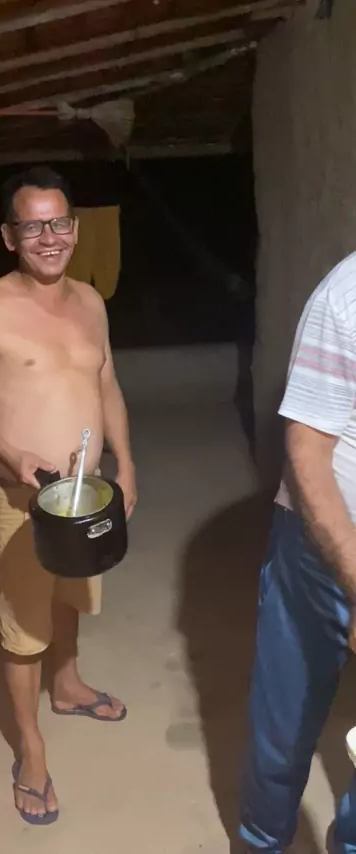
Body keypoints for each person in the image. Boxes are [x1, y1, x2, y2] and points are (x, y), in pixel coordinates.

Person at [0, 166, 137, 826]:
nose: (49, 238)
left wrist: (127, 463)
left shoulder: (91, 303)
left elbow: (106, 385)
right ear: (9, 236)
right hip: (21, 497)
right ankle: (30, 752)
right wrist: (8, 452)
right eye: (33, 227)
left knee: (73, 593)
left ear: (75, 228)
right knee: (24, 629)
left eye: (59, 223)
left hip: (85, 493)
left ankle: (69, 684)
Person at [239, 251, 356, 854]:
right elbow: (307, 450)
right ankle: (263, 841)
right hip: (324, 542)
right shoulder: (347, 295)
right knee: (285, 727)